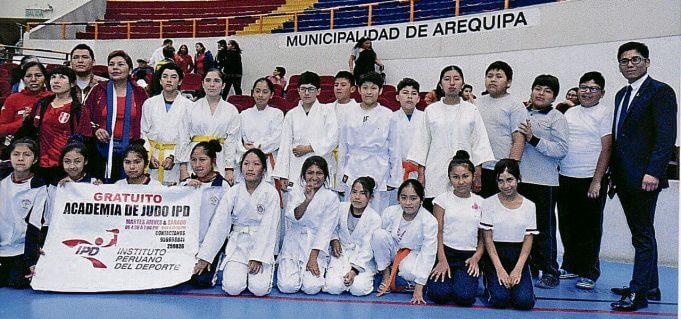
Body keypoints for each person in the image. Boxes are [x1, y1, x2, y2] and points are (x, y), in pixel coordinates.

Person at [609, 42, 677, 311]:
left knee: (642, 236)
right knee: (642, 232)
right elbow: (620, 137)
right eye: (624, 61)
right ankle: (650, 286)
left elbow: (665, 136)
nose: (630, 64)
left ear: (647, 62)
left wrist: (653, 172)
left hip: (645, 177)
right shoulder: (620, 94)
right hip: (625, 178)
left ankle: (638, 294)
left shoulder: (660, 92)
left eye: (635, 59)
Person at [407, 65, 494, 211]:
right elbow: (422, 145)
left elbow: (479, 144)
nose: (452, 83)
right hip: (436, 172)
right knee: (436, 218)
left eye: (456, 79)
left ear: (462, 84)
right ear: (441, 85)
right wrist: (421, 176)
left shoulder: (471, 110)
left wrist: (477, 175)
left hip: (463, 175)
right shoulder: (431, 111)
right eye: (447, 79)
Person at [194, 148, 280, 296]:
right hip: (238, 245)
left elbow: (269, 228)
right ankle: (239, 272)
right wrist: (205, 257)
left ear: (264, 169)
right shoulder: (233, 192)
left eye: (256, 164)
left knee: (259, 289)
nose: (250, 168)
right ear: (241, 168)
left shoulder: (270, 193)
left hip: (261, 245)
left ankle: (256, 274)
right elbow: (219, 225)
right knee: (232, 288)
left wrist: (257, 257)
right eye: (246, 164)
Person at [557, 71, 612, 290]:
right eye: (583, 87)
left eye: (593, 88)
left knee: (589, 227)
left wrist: (597, 181)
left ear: (602, 93)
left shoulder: (604, 113)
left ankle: (589, 271)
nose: (587, 92)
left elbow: (607, 148)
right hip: (566, 177)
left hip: (590, 178)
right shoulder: (569, 113)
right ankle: (571, 266)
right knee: (567, 224)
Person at [517, 74, 568, 289]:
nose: (541, 93)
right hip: (520, 181)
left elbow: (561, 150)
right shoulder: (521, 113)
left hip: (544, 182)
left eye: (547, 91)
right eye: (538, 88)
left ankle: (550, 271)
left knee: (545, 229)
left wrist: (534, 139)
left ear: (554, 96)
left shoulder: (557, 118)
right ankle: (529, 266)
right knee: (523, 228)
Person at [338, 71, 401, 214]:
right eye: (365, 88)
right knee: (351, 211)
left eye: (373, 88)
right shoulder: (348, 114)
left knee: (377, 212)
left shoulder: (388, 115)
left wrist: (394, 179)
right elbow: (343, 148)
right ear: (359, 89)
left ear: (380, 90)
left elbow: (395, 149)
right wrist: (340, 179)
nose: (369, 92)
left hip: (378, 169)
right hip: (353, 167)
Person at [427, 151, 485, 306]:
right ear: (450, 178)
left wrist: (476, 258)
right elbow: (437, 233)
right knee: (438, 295)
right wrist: (441, 260)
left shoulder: (481, 203)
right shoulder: (441, 200)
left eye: (465, 176)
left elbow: (483, 238)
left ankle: (468, 281)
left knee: (464, 298)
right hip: (445, 253)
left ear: (473, 176)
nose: (461, 182)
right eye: (456, 177)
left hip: (468, 257)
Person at [479, 159, 537, 310]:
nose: (506, 186)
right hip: (495, 256)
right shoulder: (488, 203)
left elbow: (528, 240)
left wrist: (518, 269)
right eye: (501, 181)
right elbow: (487, 239)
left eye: (510, 180)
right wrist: (499, 269)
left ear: (518, 179)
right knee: (500, 300)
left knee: (524, 302)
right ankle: (490, 282)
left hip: (518, 257)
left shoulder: (530, 206)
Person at [277, 156, 340, 294]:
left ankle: (318, 267)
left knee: (311, 288)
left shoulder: (331, 198)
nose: (314, 177)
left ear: (325, 175)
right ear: (304, 175)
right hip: (294, 241)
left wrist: (313, 257)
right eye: (310, 172)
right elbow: (294, 216)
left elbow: (326, 230)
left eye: (319, 173)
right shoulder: (295, 192)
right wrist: (306, 200)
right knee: (287, 286)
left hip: (315, 244)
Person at [19, 66, 90, 184]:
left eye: (62, 77)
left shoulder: (79, 110)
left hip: (64, 166)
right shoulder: (42, 103)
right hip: (39, 163)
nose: (56, 81)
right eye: (53, 77)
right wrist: (26, 120)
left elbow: (86, 141)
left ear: (72, 83)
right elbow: (30, 129)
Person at [86, 50, 148, 182]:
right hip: (100, 150)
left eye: (120, 64)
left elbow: (148, 121)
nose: (115, 68)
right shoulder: (98, 90)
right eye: (111, 64)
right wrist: (96, 129)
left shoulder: (140, 93)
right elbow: (84, 117)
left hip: (131, 150)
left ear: (130, 70)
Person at [372, 179, 436, 304]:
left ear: (421, 199)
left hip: (413, 253)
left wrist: (419, 287)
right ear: (398, 198)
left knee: (409, 273)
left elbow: (428, 253)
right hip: (393, 250)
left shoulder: (429, 221)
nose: (408, 203)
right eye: (404, 197)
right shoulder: (390, 212)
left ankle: (403, 279)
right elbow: (380, 242)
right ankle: (386, 275)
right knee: (378, 235)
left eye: (413, 198)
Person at [273, 71, 338, 192]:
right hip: (296, 166)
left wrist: (310, 148)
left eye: (311, 89)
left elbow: (333, 139)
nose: (307, 93)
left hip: (321, 163)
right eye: (303, 89)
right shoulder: (291, 115)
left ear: (318, 91)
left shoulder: (327, 111)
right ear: (298, 90)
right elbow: (284, 145)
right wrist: (283, 174)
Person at [177, 69, 240, 185]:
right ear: (202, 84)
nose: (212, 85)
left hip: (220, 158)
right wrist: (183, 167)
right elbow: (183, 138)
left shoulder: (231, 110)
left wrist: (229, 168)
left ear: (223, 85)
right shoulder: (191, 108)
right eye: (208, 80)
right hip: (196, 157)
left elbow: (232, 141)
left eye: (216, 81)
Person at [0, 138, 48, 288]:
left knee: (18, 282)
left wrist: (32, 261)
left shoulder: (39, 188)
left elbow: (35, 227)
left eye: (27, 155)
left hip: (21, 252)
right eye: (16, 154)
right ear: (10, 157)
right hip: (1, 249)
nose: (20, 159)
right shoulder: (2, 182)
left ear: (35, 160)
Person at [323, 176, 381, 296]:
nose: (357, 197)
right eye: (354, 192)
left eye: (362, 193)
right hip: (341, 254)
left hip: (362, 258)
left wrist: (355, 270)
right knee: (333, 288)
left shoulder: (374, 218)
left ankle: (359, 276)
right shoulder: (340, 208)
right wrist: (334, 239)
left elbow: (368, 248)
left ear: (371, 197)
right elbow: (331, 227)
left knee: (358, 289)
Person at [183, 140, 230, 288]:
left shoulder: (223, 188)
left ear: (213, 161)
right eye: (194, 160)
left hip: (210, 245)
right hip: (186, 246)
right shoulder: (185, 186)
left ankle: (215, 262)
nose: (197, 164)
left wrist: (205, 256)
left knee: (200, 281)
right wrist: (185, 189)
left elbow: (220, 227)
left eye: (202, 160)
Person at [476, 61, 527, 198]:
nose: (493, 79)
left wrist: (510, 171)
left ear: (508, 82)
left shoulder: (515, 105)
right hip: (479, 169)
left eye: (499, 76)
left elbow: (519, 140)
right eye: (490, 76)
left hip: (501, 170)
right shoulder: (477, 102)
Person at [141, 63, 192, 185]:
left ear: (180, 81)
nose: (169, 80)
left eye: (174, 77)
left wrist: (174, 156)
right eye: (165, 76)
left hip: (177, 157)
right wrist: (148, 155)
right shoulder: (149, 103)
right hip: (153, 156)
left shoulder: (189, 106)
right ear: (159, 80)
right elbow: (143, 132)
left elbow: (189, 137)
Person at [237, 78, 283, 183]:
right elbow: (237, 139)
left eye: (265, 92)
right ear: (252, 93)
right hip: (247, 157)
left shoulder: (277, 114)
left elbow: (276, 138)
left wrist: (256, 146)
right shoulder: (243, 114)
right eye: (257, 91)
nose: (261, 95)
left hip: (267, 158)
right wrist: (246, 152)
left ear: (271, 95)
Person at [0, 62, 52, 138]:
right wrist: (22, 122)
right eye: (28, 76)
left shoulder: (53, 97)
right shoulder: (13, 99)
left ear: (45, 78)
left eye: (38, 75)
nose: (33, 79)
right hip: (19, 143)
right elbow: (1, 129)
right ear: (23, 79)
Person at [392, 78, 423, 182]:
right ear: (397, 97)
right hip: (397, 169)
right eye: (405, 93)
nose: (409, 96)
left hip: (420, 170)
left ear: (418, 98)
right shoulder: (390, 118)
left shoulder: (425, 118)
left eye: (413, 93)